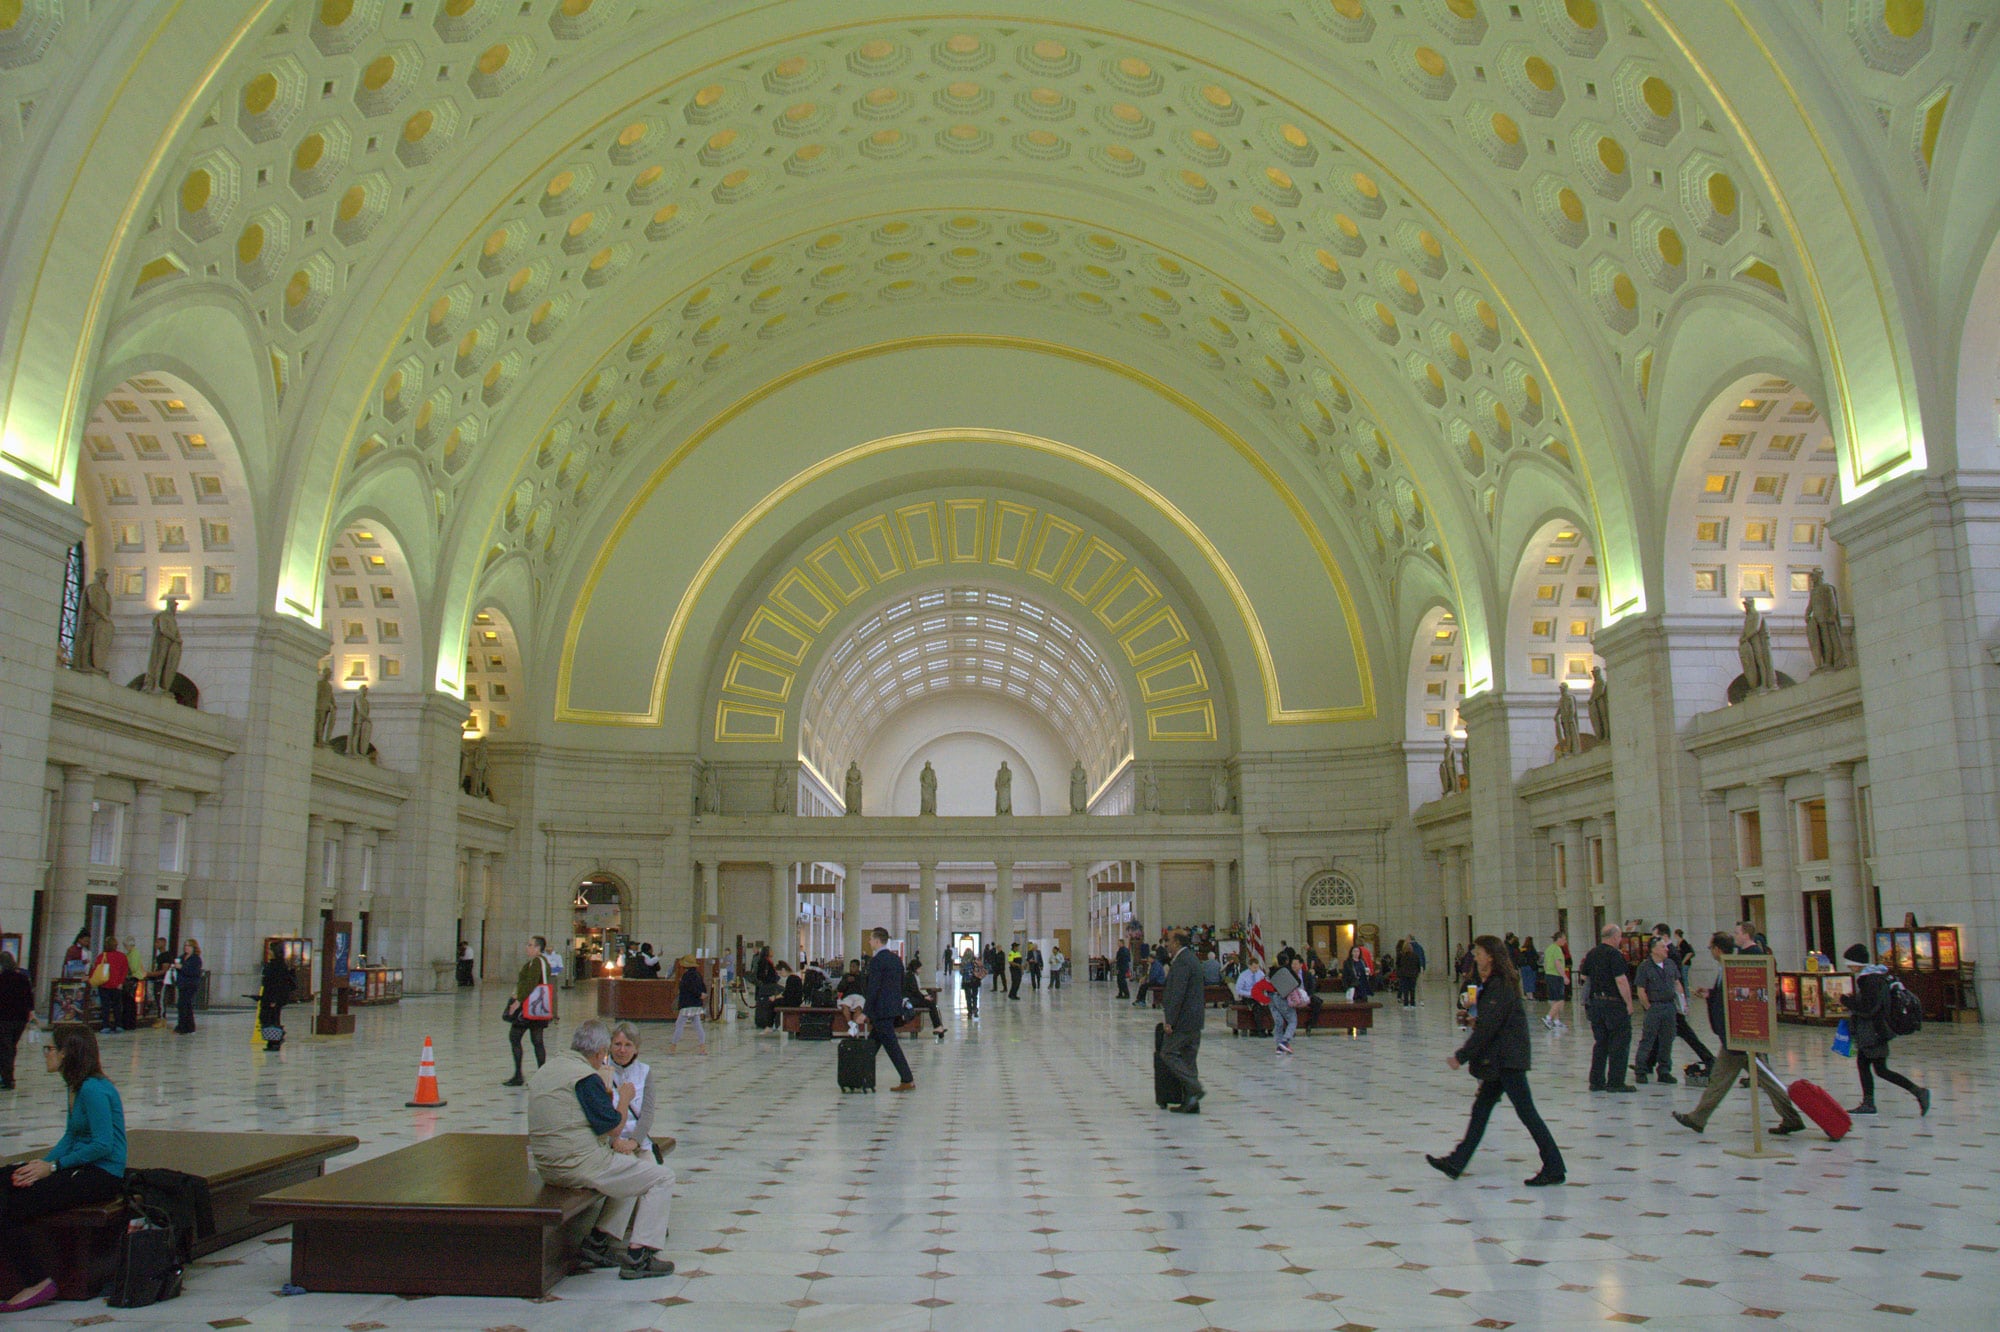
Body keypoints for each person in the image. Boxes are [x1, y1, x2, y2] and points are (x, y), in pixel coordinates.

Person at [528, 1019, 676, 1279]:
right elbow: (613, 1127)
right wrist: (624, 1099)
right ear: (599, 1053)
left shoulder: (549, 1068)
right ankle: (640, 1254)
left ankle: (599, 1242)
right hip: (579, 1164)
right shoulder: (585, 1077)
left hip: (547, 1165)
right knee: (662, 1177)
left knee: (630, 1171)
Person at [0, 1027, 127, 1312]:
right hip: (77, 1166)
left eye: (50, 1048)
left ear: (66, 1053)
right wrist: (41, 1164)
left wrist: (54, 1167)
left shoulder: (93, 1088)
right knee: (7, 1178)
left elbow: (103, 1145)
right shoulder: (75, 1085)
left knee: (16, 1204)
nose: (45, 1054)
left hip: (100, 1174)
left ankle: (36, 1281)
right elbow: (71, 1136)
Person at [1426, 936, 1566, 1187]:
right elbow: (1486, 1019)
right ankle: (1456, 1162)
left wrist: (1461, 1056)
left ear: (1490, 956)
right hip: (1499, 1059)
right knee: (1481, 1110)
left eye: (1478, 952)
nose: (1475, 956)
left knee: (1527, 1113)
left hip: (1508, 1059)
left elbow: (1490, 1027)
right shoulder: (1488, 982)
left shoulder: (1501, 984)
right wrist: (1470, 1019)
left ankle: (1554, 1166)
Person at [1672, 932, 1805, 1138]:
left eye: (1710, 948)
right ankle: (1698, 1118)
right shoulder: (1726, 968)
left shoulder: (1733, 968)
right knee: (1728, 1079)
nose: (1710, 952)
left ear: (1717, 949)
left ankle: (1792, 1118)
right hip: (1735, 1037)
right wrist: (1710, 994)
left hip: (1740, 1036)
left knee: (1757, 1079)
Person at [1841, 942, 1930, 1116]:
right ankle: (1871, 1102)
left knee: (1878, 1069)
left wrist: (1847, 1001)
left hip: (1873, 1031)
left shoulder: (1869, 979)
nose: (1848, 966)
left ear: (1856, 963)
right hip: (1876, 1031)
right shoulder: (1875, 976)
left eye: (1849, 963)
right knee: (1873, 1067)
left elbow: (1869, 1008)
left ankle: (1916, 1092)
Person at [1578, 923, 1636, 1092]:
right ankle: (1615, 1082)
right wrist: (1629, 1003)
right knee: (1619, 1042)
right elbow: (1621, 980)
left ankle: (1596, 1081)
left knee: (1600, 1043)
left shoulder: (1592, 953)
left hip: (1596, 1004)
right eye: (1619, 936)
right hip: (1614, 1004)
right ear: (1614, 937)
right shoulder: (1615, 955)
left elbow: (1583, 976)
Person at [1159, 930, 1206, 1113]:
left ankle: (1195, 1088)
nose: (1167, 944)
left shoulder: (1182, 962)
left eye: (1169, 941)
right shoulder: (1190, 958)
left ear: (1177, 942)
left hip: (1184, 1021)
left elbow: (1177, 993)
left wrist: (1170, 1020)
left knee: (1167, 1053)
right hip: (1193, 1019)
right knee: (1188, 1060)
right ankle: (1191, 1102)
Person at [864, 927, 916, 1092]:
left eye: (871, 939)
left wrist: (865, 1012)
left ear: (878, 941)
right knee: (871, 1046)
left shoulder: (877, 960)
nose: (869, 942)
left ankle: (907, 1079)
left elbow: (873, 988)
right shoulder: (896, 959)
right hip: (892, 1009)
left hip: (881, 1011)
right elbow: (901, 984)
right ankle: (860, 1076)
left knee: (892, 1046)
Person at [608, 1022, 668, 1162]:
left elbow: (647, 1113)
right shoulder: (602, 1071)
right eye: (617, 1044)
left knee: (655, 1175)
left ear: (636, 1049)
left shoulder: (644, 1071)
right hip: (610, 1142)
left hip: (638, 1141)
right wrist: (614, 1141)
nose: (622, 1050)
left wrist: (634, 1142)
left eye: (628, 1045)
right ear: (610, 1046)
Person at [1631, 934, 1683, 1085]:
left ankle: (1665, 1070)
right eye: (1662, 947)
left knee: (1667, 1039)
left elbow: (1677, 982)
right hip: (1654, 1006)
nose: (1666, 949)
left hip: (1669, 1006)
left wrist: (1682, 1001)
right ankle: (1641, 1069)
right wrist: (1648, 1006)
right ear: (1653, 950)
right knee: (1648, 1039)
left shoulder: (1670, 964)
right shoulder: (1645, 967)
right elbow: (1641, 989)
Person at [503, 935, 555, 1086]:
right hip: (538, 1007)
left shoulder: (536, 962)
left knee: (515, 1036)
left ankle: (519, 1075)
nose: (527, 947)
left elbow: (530, 983)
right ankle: (541, 1076)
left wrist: (518, 1002)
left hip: (529, 1007)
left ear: (538, 948)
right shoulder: (542, 962)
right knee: (537, 1040)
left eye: (530, 945)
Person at [0, 952, 32, 1088]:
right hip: (20, 1019)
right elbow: (30, 999)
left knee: (5, 1048)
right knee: (11, 1047)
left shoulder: (1, 979)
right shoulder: (23, 978)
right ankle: (8, 1076)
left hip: (4, 1019)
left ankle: (8, 1078)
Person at [258, 940, 295, 1051]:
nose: (268, 951)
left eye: (270, 949)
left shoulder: (278, 965)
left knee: (272, 1019)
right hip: (269, 996)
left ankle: (275, 1040)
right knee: (268, 1018)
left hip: (273, 997)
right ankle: (272, 1040)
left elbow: (278, 983)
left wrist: (274, 999)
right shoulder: (274, 963)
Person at [88, 938, 128, 1035]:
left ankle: (106, 1026)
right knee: (117, 1006)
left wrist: (90, 978)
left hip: (104, 984)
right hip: (116, 985)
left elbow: (95, 969)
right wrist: (121, 982)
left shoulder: (102, 956)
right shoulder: (122, 956)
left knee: (105, 1006)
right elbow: (125, 971)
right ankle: (118, 1025)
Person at [669, 960, 708, 1055]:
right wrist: (701, 995)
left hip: (686, 1004)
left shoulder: (686, 976)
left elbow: (689, 988)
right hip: (696, 1004)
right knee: (698, 1026)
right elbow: (703, 987)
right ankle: (702, 1048)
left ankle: (673, 1047)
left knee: (679, 1025)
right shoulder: (698, 975)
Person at [903, 957, 946, 1039]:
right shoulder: (910, 977)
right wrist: (924, 997)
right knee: (931, 1004)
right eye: (919, 968)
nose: (920, 970)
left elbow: (916, 990)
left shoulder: (912, 975)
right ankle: (937, 1027)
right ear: (915, 968)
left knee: (931, 1003)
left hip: (914, 998)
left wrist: (925, 996)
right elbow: (914, 991)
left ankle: (938, 1027)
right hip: (911, 1000)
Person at [1268, 955, 1299, 1055]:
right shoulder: (1285, 970)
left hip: (1271, 998)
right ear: (1287, 961)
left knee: (1279, 1022)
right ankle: (1285, 1041)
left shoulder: (1271, 971)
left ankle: (1279, 1047)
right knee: (1292, 1020)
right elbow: (1297, 982)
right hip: (1282, 997)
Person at [171, 938, 203, 1034]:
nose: (186, 948)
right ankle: (187, 1026)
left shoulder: (195, 959)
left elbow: (194, 972)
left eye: (189, 946)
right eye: (185, 945)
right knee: (184, 1005)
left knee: (184, 1004)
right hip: (182, 984)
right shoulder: (181, 957)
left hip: (190, 984)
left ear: (193, 947)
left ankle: (184, 1026)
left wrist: (182, 967)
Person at [1541, 932, 1569, 1030]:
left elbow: (1544, 963)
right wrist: (1564, 976)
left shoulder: (1549, 949)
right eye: (1564, 939)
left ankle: (1556, 1021)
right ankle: (1548, 1017)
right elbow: (1558, 963)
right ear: (1559, 939)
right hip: (1556, 976)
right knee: (1560, 1000)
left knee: (1554, 1000)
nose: (1565, 941)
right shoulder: (1557, 949)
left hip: (1548, 975)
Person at [1395, 939, 1421, 1007]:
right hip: (1413, 975)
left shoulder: (1402, 956)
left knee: (1405, 990)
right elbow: (1418, 965)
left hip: (1404, 975)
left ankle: (1406, 1004)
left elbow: (1398, 964)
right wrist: (1417, 972)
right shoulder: (1415, 956)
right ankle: (1412, 1003)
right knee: (1412, 990)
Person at [958, 947, 981, 1019]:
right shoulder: (975, 960)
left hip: (966, 981)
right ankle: (975, 1009)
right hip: (975, 981)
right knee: (974, 996)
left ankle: (969, 1012)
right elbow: (979, 969)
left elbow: (961, 972)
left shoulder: (963, 961)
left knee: (968, 997)